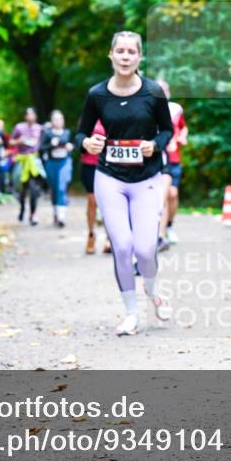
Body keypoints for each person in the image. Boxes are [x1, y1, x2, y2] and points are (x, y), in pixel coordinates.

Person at [75, 31, 174, 336]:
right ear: (111, 55)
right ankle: (131, 313)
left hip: (146, 178)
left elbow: (167, 131)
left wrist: (154, 146)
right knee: (122, 246)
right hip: (109, 177)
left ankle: (153, 292)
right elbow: (79, 134)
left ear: (139, 57)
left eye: (132, 52)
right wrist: (87, 144)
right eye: (120, 51)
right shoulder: (97, 94)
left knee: (144, 250)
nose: (126, 57)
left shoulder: (153, 92)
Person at [156, 79, 188, 249]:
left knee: (172, 195)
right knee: (163, 195)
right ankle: (160, 235)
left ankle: (168, 227)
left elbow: (183, 127)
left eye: (164, 89)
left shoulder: (176, 109)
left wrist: (182, 136)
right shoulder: (148, 108)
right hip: (156, 158)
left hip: (174, 158)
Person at [79, 119, 110, 254]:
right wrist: (87, 143)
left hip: (109, 164)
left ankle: (109, 238)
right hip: (89, 165)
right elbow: (79, 138)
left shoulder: (112, 113)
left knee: (109, 202)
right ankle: (91, 235)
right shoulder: (88, 116)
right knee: (92, 201)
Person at [10, 107, 45, 225]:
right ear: (25, 116)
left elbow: (45, 142)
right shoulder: (19, 127)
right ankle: (22, 209)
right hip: (22, 159)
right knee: (20, 187)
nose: (30, 117)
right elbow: (10, 142)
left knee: (34, 189)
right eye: (28, 114)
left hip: (34, 160)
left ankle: (33, 214)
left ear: (35, 116)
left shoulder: (40, 128)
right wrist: (18, 141)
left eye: (32, 114)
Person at [40, 110, 74, 228]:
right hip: (51, 163)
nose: (58, 121)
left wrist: (70, 147)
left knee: (61, 187)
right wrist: (51, 145)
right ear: (52, 121)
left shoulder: (67, 133)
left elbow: (74, 144)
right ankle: (56, 212)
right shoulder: (47, 134)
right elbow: (41, 148)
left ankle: (61, 217)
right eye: (56, 119)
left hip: (65, 162)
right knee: (54, 189)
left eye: (60, 119)